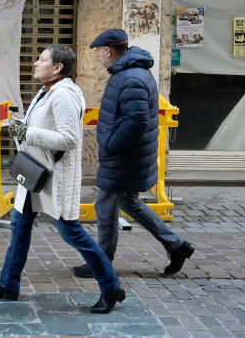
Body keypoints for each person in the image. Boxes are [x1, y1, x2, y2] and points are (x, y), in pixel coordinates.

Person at [0, 45, 126, 314]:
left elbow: (70, 139)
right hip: (36, 174)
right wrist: (20, 127)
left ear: (57, 67)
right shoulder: (46, 90)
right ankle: (8, 284)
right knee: (19, 226)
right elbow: (39, 127)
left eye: (42, 60)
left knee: (73, 234)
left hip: (56, 178)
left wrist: (26, 131)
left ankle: (111, 286)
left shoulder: (63, 96)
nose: (35, 63)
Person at [72, 28, 195, 280]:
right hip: (129, 156)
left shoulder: (130, 78)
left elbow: (136, 122)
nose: (97, 57)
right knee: (129, 201)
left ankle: (102, 262)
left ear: (108, 51)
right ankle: (177, 246)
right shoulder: (130, 73)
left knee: (104, 206)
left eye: (98, 52)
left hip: (125, 157)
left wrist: (110, 146)